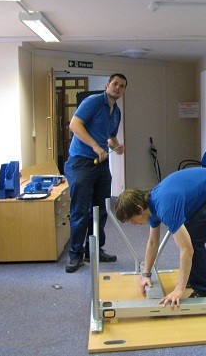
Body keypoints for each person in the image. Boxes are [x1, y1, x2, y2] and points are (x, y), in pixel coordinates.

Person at [115, 168, 206, 308]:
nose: (133, 224)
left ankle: (205, 289)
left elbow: (187, 250)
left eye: (132, 219)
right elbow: (152, 242)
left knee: (191, 239)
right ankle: (203, 275)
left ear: (139, 209)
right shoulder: (152, 206)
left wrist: (179, 290)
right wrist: (146, 274)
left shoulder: (164, 207)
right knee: (186, 235)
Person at [64, 73, 127, 273]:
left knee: (101, 209)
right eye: (115, 84)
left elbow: (110, 137)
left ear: (123, 91)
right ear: (108, 85)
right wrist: (95, 147)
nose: (118, 88)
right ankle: (76, 255)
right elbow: (74, 124)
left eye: (122, 86)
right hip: (81, 162)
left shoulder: (116, 112)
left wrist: (116, 146)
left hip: (100, 164)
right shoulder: (93, 102)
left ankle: (94, 250)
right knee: (80, 210)